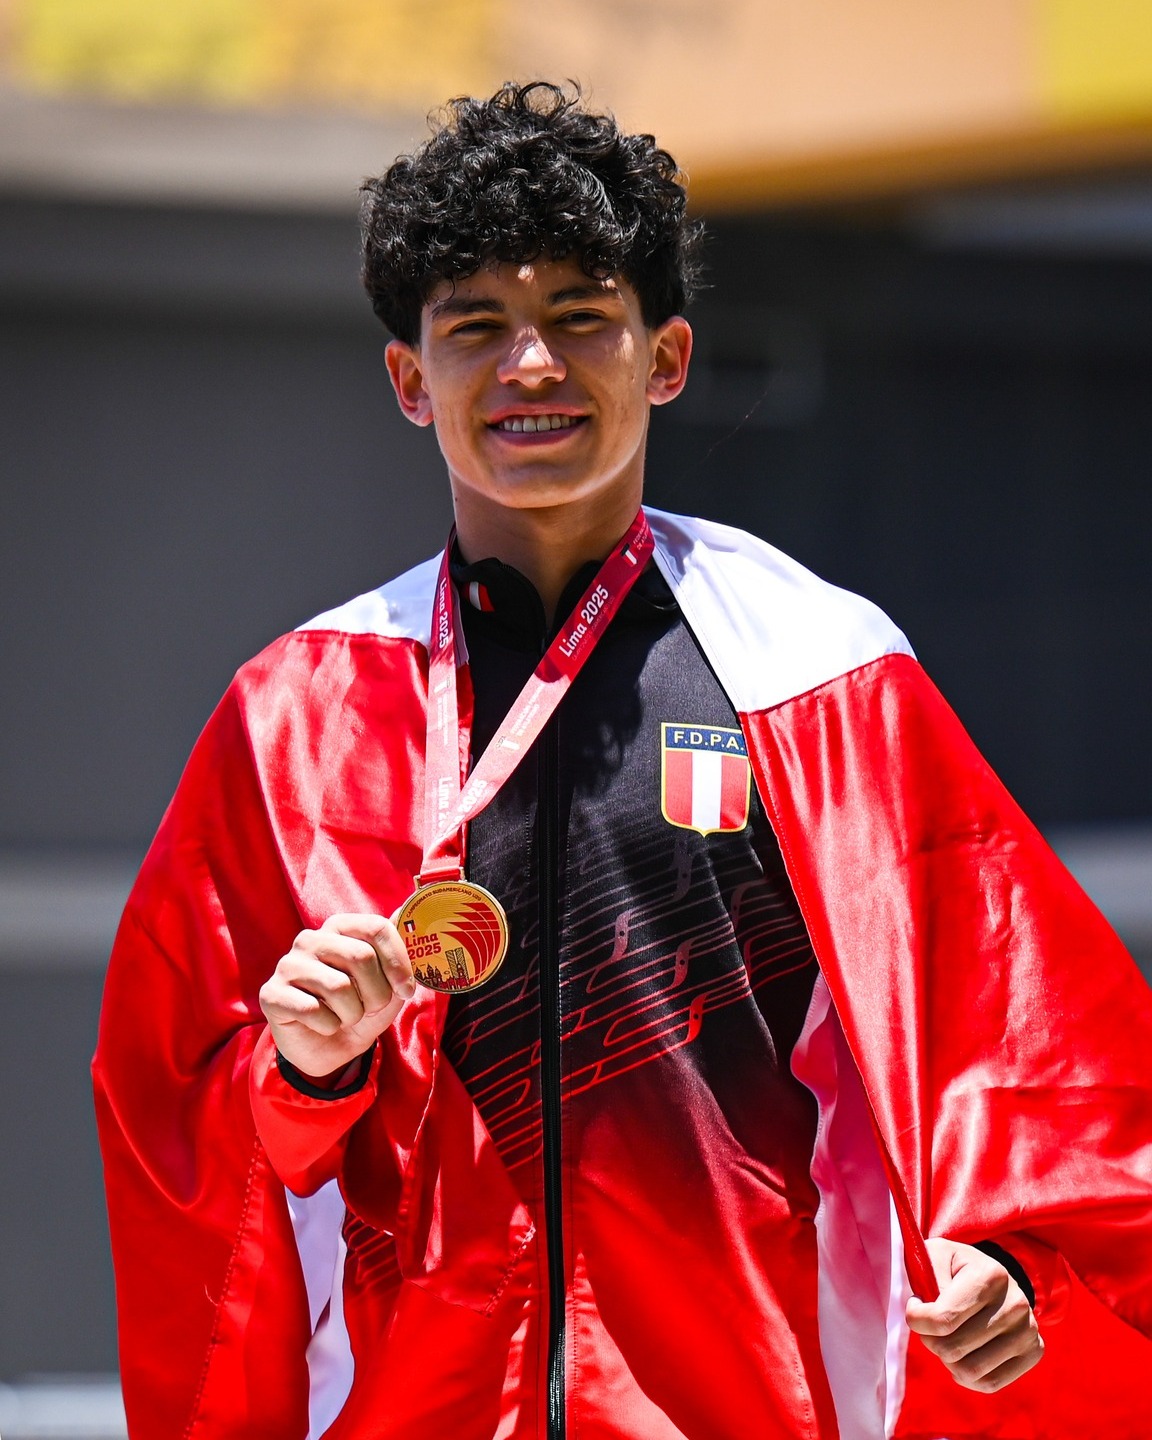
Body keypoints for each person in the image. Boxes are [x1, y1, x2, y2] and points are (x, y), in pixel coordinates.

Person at [94, 81, 1152, 1440]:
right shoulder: (295, 713)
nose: (531, 365)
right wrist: (303, 1069)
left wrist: (1012, 1269)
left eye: (581, 318)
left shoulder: (821, 671)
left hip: (737, 1407)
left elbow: (1022, 1048)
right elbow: (186, 1131)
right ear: (412, 382)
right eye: (476, 327)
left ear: (666, 359)